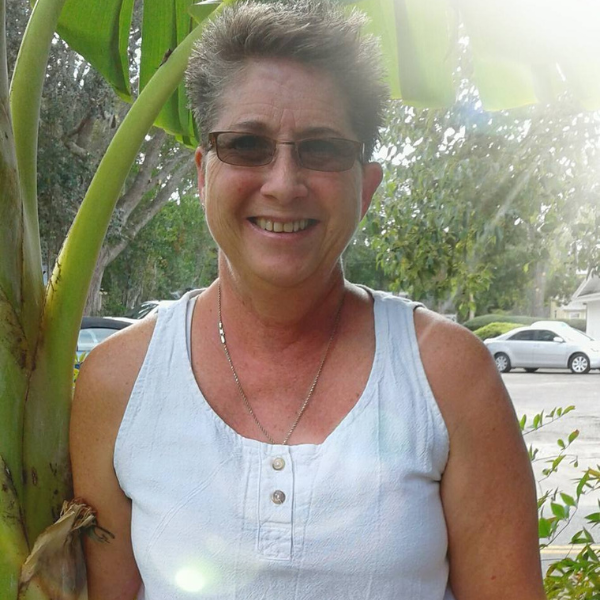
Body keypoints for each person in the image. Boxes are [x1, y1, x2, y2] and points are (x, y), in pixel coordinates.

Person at [70, 1, 547, 599]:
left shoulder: (447, 377)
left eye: (321, 149)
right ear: (202, 173)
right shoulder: (119, 382)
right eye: (247, 144)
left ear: (365, 189)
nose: (283, 184)